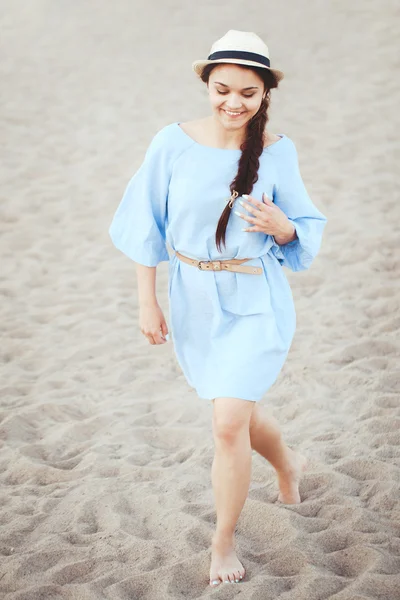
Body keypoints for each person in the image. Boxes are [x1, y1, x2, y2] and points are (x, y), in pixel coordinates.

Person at [109, 29, 327, 588]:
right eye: (222, 89)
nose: (234, 103)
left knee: (227, 424)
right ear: (207, 85)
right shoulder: (172, 142)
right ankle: (287, 462)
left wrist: (284, 230)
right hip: (193, 302)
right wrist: (147, 302)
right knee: (241, 412)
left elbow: (305, 228)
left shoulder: (278, 151)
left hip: (256, 299)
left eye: (248, 93)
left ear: (265, 95)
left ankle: (222, 542)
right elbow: (144, 225)